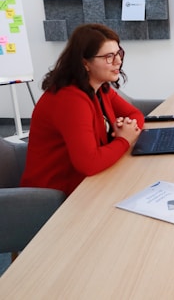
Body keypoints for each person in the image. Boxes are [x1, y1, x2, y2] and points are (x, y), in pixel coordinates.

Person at [20, 23, 144, 196]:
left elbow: (135, 114)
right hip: (54, 197)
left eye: (118, 53)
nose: (118, 61)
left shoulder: (99, 88)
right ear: (85, 63)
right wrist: (124, 140)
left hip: (87, 182)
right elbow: (89, 163)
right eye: (108, 56)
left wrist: (127, 126)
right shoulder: (70, 100)